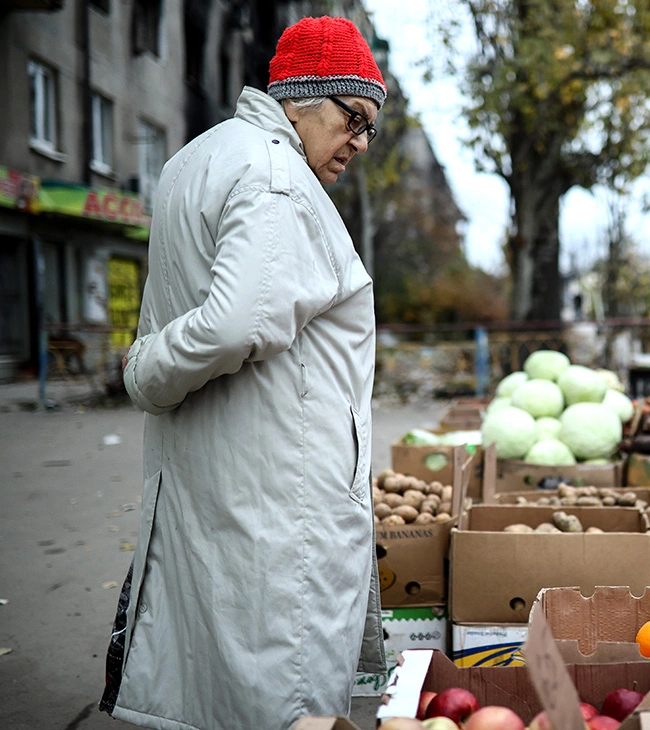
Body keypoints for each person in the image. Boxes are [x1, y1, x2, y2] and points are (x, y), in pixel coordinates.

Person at [100, 17, 386, 730]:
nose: (360, 143)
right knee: (279, 694)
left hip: (231, 475)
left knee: (214, 676)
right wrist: (143, 372)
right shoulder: (275, 176)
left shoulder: (197, 158)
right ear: (298, 99)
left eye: (370, 129)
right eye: (354, 119)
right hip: (276, 493)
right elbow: (238, 323)